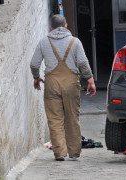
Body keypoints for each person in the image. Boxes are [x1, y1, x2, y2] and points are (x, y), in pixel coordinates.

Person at [30, 14, 96, 161]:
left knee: (55, 119)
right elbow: (83, 63)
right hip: (71, 84)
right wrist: (90, 80)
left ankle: (59, 153)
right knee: (72, 117)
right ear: (66, 26)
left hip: (52, 84)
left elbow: (34, 64)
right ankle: (74, 152)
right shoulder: (75, 42)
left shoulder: (43, 42)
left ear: (51, 28)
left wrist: (36, 77)